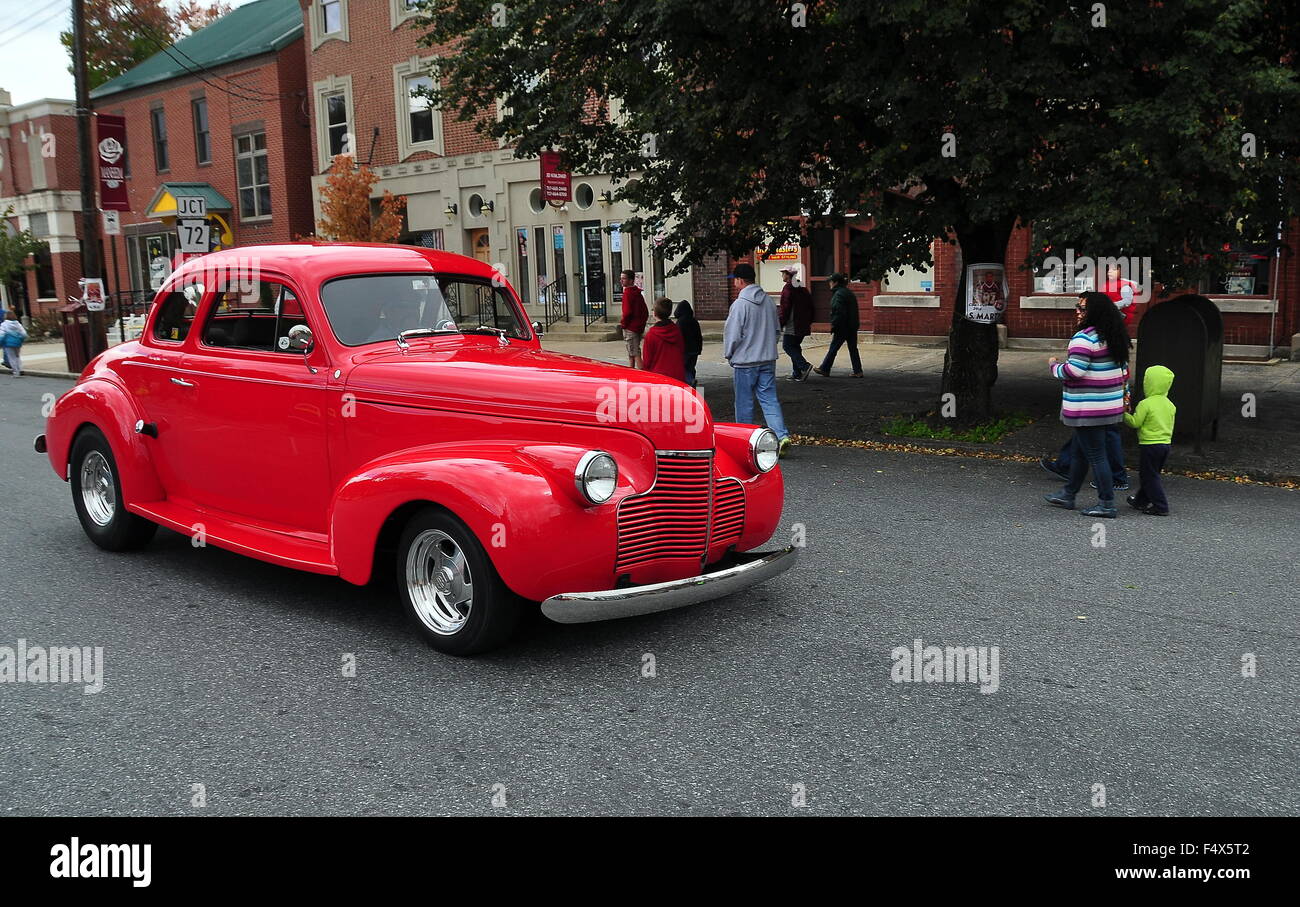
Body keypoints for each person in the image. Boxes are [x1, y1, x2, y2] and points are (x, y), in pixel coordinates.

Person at [1044, 292, 1131, 518]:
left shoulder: (1084, 338)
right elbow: (1122, 372)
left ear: (1095, 312)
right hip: (1108, 405)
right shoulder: (1113, 336)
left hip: (1088, 407)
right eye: (1077, 306)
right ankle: (1068, 493)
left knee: (1096, 455)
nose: (1077, 311)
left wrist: (1054, 366)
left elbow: (1074, 371)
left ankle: (1107, 503)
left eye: (1082, 308)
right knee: (1081, 452)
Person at [723, 263, 792, 456]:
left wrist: (729, 354)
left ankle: (743, 441)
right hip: (767, 359)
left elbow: (733, 335)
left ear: (740, 280)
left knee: (744, 403)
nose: (734, 283)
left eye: (735, 280)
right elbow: (777, 330)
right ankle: (780, 436)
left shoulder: (740, 305)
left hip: (745, 362)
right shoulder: (769, 302)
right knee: (769, 399)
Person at [1124, 365, 1176, 515]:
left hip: (1149, 445)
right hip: (1165, 445)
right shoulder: (1170, 405)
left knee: (1148, 476)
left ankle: (1161, 506)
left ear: (1149, 383)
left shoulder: (1146, 404)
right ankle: (1140, 500)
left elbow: (1135, 423)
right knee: (1152, 473)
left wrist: (1123, 414)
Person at [812, 272, 862, 377]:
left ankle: (825, 368)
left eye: (830, 281)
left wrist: (835, 325)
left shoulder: (838, 294)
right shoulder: (848, 292)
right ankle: (858, 371)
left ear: (835, 282)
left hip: (842, 326)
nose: (829, 284)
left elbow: (838, 311)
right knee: (853, 348)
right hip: (852, 325)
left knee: (834, 347)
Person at [777, 265, 813, 380]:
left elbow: (785, 308)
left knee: (787, 346)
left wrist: (781, 323)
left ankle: (804, 366)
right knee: (795, 347)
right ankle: (797, 373)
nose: (782, 275)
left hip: (793, 324)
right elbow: (811, 306)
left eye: (783, 273)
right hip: (803, 323)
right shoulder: (802, 287)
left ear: (788, 275)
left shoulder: (788, 289)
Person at [641, 296, 686, 382]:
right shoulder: (676, 330)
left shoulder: (651, 335)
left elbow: (647, 361)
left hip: (658, 377)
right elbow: (682, 350)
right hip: (677, 375)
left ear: (654, 313)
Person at [618, 269, 648, 369]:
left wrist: (623, 324)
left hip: (630, 327)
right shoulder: (637, 293)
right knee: (631, 351)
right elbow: (645, 311)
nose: (621, 281)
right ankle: (631, 370)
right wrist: (641, 323)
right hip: (638, 327)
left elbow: (627, 312)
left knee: (635, 352)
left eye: (624, 279)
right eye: (621, 279)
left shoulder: (627, 293)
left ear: (631, 280)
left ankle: (643, 374)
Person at [673, 299, 703, 387]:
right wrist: (699, 348)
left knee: (684, 368)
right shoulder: (694, 321)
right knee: (691, 367)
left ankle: (690, 381)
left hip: (685, 349)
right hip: (695, 349)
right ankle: (692, 385)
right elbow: (699, 336)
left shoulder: (680, 322)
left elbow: (679, 337)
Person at [1101, 262, 1138, 327]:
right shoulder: (1106, 284)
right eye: (1108, 269)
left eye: (1114, 269)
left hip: (1120, 317)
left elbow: (1127, 301)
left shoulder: (1124, 285)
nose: (1110, 272)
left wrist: (1111, 306)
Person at [1, 310, 27, 377]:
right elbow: (24, 334)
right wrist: (21, 340)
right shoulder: (18, 324)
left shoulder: (4, 325)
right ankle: (20, 369)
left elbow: (1, 335)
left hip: (8, 343)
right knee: (17, 356)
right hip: (17, 343)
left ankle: (16, 372)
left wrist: (1, 342)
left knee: (11, 358)